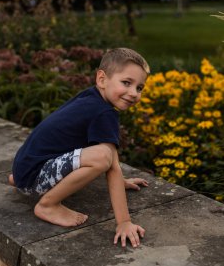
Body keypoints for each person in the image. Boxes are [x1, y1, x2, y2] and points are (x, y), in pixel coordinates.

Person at [9, 47, 150, 248]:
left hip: (22, 169)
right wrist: (124, 222)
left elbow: (112, 161)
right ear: (102, 79)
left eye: (139, 88)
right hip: (34, 177)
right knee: (102, 156)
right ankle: (47, 205)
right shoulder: (104, 113)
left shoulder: (90, 97)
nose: (133, 93)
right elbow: (110, 161)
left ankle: (24, 181)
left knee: (104, 154)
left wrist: (120, 181)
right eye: (126, 83)